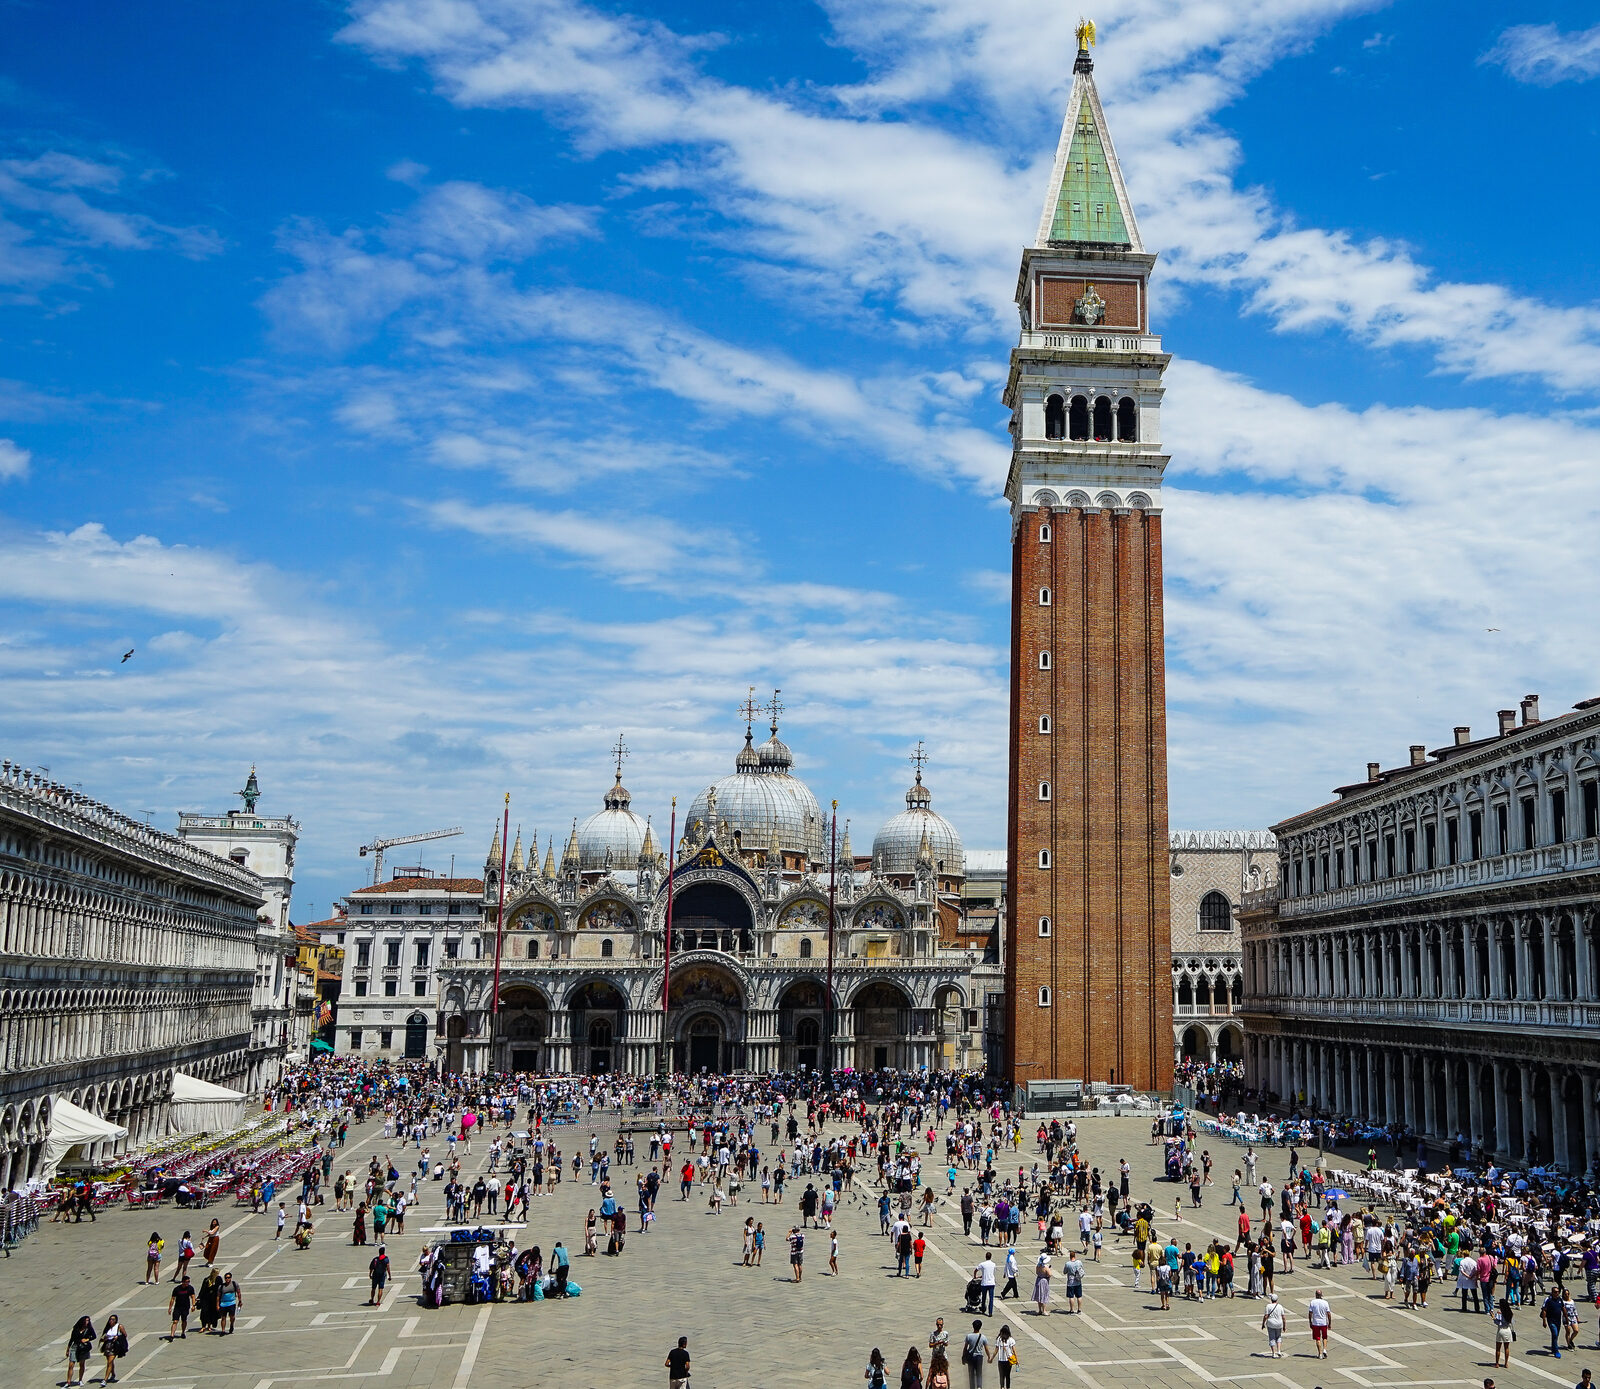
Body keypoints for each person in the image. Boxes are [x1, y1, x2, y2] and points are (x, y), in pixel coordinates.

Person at [65, 1316, 95, 1386]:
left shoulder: (89, 1328)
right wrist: (68, 1349)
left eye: (88, 1321)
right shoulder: (76, 1328)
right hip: (75, 1347)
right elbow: (72, 1339)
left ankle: (80, 1380)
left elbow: (94, 1336)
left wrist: (87, 1339)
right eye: (86, 1321)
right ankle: (68, 1382)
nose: (87, 1322)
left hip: (83, 1348)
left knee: (82, 1364)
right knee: (71, 1365)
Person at [100, 1314, 128, 1384]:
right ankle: (113, 1374)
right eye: (110, 1319)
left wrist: (118, 1337)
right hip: (107, 1345)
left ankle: (105, 1379)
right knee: (110, 1362)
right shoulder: (108, 1327)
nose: (111, 1321)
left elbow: (125, 1335)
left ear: (116, 1320)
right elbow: (105, 1336)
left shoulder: (119, 1326)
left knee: (109, 1362)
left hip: (115, 1346)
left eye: (113, 1319)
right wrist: (103, 1339)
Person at [961, 1320, 990, 1389]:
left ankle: (972, 1387)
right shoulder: (983, 1337)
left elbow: (965, 1348)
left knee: (971, 1373)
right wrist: (989, 1356)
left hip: (971, 1357)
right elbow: (986, 1349)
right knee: (979, 1373)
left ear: (973, 1326)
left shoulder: (969, 1336)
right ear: (980, 1327)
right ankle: (979, 1386)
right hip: (979, 1357)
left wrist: (963, 1357)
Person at [167, 1274, 196, 1339]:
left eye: (188, 1282)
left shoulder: (190, 1288)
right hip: (178, 1307)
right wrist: (170, 1308)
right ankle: (172, 1335)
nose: (187, 1283)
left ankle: (183, 1332)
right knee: (175, 1321)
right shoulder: (177, 1289)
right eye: (186, 1282)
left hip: (185, 1307)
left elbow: (193, 1297)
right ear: (183, 1282)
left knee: (184, 1320)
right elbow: (172, 1299)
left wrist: (193, 1305)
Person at [1307, 1288, 1332, 1359]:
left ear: (1315, 1295)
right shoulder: (1325, 1302)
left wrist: (1310, 1322)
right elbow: (1328, 1314)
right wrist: (1329, 1323)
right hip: (1323, 1322)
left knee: (1317, 1338)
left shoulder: (1312, 1302)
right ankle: (1324, 1349)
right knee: (1325, 1337)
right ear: (1321, 1295)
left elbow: (1310, 1313)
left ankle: (1320, 1353)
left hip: (1316, 1323)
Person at [1542, 1288, 1566, 1358]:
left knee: (1555, 1335)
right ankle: (1556, 1351)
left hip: (1558, 1320)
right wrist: (1544, 1321)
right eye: (1555, 1292)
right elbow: (1544, 1310)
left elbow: (1563, 1308)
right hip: (1551, 1320)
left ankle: (1553, 1348)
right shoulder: (1548, 1300)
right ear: (1552, 1292)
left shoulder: (1560, 1300)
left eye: (1558, 1292)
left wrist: (1566, 1318)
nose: (1557, 1293)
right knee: (1554, 1334)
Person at [1261, 1293, 1286, 1357]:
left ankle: (1273, 1353)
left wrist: (1263, 1323)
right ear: (1277, 1299)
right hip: (1279, 1323)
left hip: (1271, 1323)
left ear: (1271, 1299)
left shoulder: (1268, 1306)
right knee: (1278, 1337)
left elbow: (1266, 1316)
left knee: (1272, 1338)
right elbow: (1283, 1317)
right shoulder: (1280, 1306)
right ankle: (1279, 1351)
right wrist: (1284, 1326)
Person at [1492, 1297, 1514, 1368]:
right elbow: (1512, 1322)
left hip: (1501, 1330)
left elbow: (1497, 1322)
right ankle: (1506, 1363)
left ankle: (1497, 1363)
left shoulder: (1500, 1313)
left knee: (1498, 1348)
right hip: (1508, 1330)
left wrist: (1493, 1317)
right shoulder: (1510, 1313)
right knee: (1506, 1348)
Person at [976, 1250, 997, 1317]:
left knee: (984, 1297)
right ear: (991, 1257)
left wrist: (975, 1276)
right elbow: (993, 1272)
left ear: (985, 1257)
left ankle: (983, 1309)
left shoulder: (982, 1264)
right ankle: (990, 1312)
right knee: (991, 1299)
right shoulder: (993, 1264)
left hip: (984, 1283)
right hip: (991, 1283)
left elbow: (976, 1270)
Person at [1032, 1251, 1051, 1317]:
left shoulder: (1038, 1266)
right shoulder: (1045, 1267)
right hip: (1044, 1281)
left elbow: (1037, 1272)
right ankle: (1044, 1310)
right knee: (1044, 1296)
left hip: (1038, 1279)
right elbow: (1049, 1274)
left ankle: (1040, 1310)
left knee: (1039, 1295)